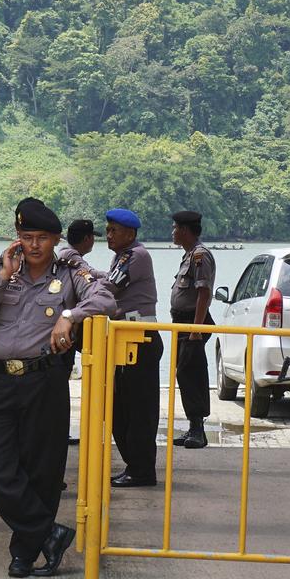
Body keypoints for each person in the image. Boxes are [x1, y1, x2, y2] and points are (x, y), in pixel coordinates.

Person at [0, 198, 117, 578]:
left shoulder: (69, 268)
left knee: (42, 469)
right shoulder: (4, 268)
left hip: (44, 379)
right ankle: (48, 532)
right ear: (17, 238)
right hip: (1, 380)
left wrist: (70, 315)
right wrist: (2, 278)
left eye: (42, 238)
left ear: (55, 239)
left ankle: (25, 553)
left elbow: (105, 298)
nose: (33, 245)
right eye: (26, 236)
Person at [103, 208, 164, 488]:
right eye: (108, 229)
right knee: (122, 407)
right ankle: (135, 465)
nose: (109, 235)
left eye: (114, 230)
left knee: (138, 409)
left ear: (130, 233)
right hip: (126, 337)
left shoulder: (136, 255)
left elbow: (109, 288)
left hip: (139, 338)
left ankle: (141, 470)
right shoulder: (122, 256)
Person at [169, 211, 215, 450]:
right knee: (184, 373)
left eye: (175, 228)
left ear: (185, 230)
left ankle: (198, 430)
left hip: (193, 323)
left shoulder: (199, 256)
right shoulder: (188, 255)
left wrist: (196, 329)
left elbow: (203, 293)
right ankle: (193, 427)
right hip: (182, 322)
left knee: (191, 373)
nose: (173, 232)